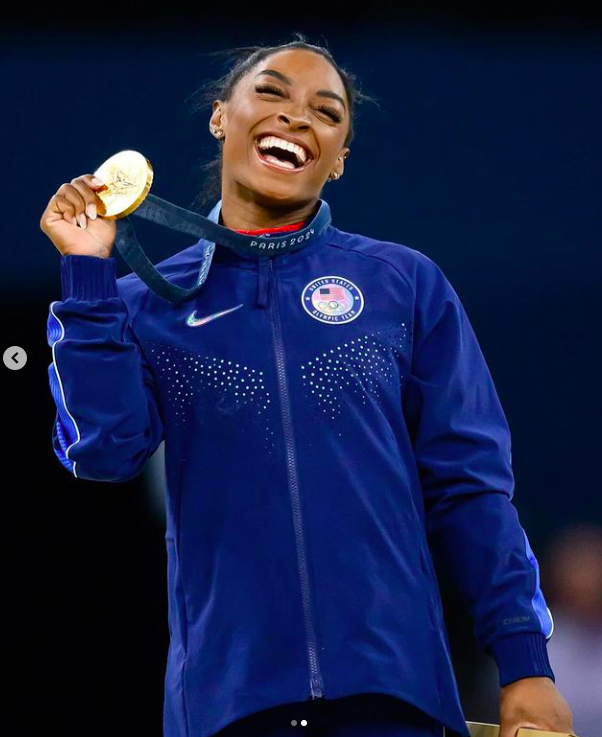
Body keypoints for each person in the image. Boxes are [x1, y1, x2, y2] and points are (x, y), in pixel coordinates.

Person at [39, 35, 575, 737]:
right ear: (219, 116)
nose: (296, 116)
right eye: (269, 93)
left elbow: (473, 489)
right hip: (229, 708)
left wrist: (527, 666)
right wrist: (88, 276)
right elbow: (103, 449)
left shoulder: (403, 284)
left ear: (340, 157)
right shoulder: (145, 305)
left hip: (397, 699)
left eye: (325, 112)